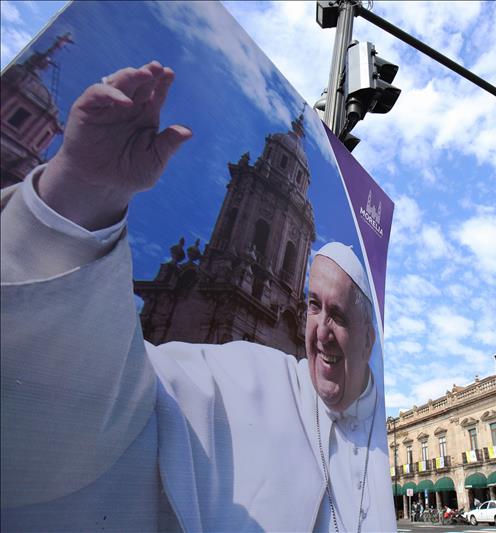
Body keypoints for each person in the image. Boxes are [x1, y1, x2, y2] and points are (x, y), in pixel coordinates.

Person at [1, 62, 394, 532]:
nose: (321, 331)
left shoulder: (374, 424)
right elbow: (98, 409)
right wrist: (80, 203)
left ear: (369, 338)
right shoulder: (230, 376)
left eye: (340, 315)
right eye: (313, 306)